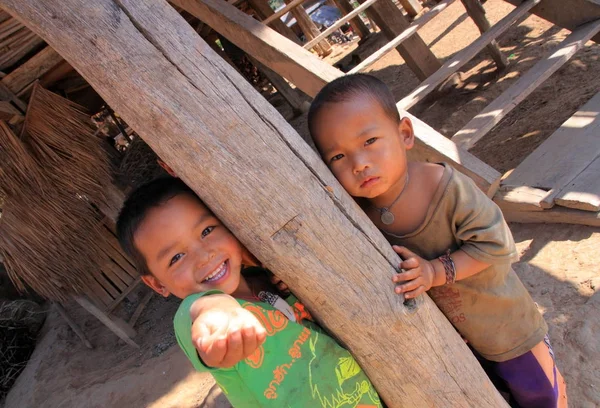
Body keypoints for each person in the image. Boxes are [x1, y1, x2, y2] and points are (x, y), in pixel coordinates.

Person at [307, 73, 567, 408]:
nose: (360, 164)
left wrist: (434, 272)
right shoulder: (359, 215)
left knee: (543, 396)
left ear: (404, 134)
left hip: (507, 326)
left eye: (369, 141)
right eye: (338, 157)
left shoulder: (445, 188)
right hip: (457, 344)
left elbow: (497, 245)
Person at [116, 177, 382, 408]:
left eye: (207, 231)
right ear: (157, 284)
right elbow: (202, 310)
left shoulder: (264, 278)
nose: (204, 256)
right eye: (176, 257)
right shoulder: (197, 316)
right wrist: (219, 314)